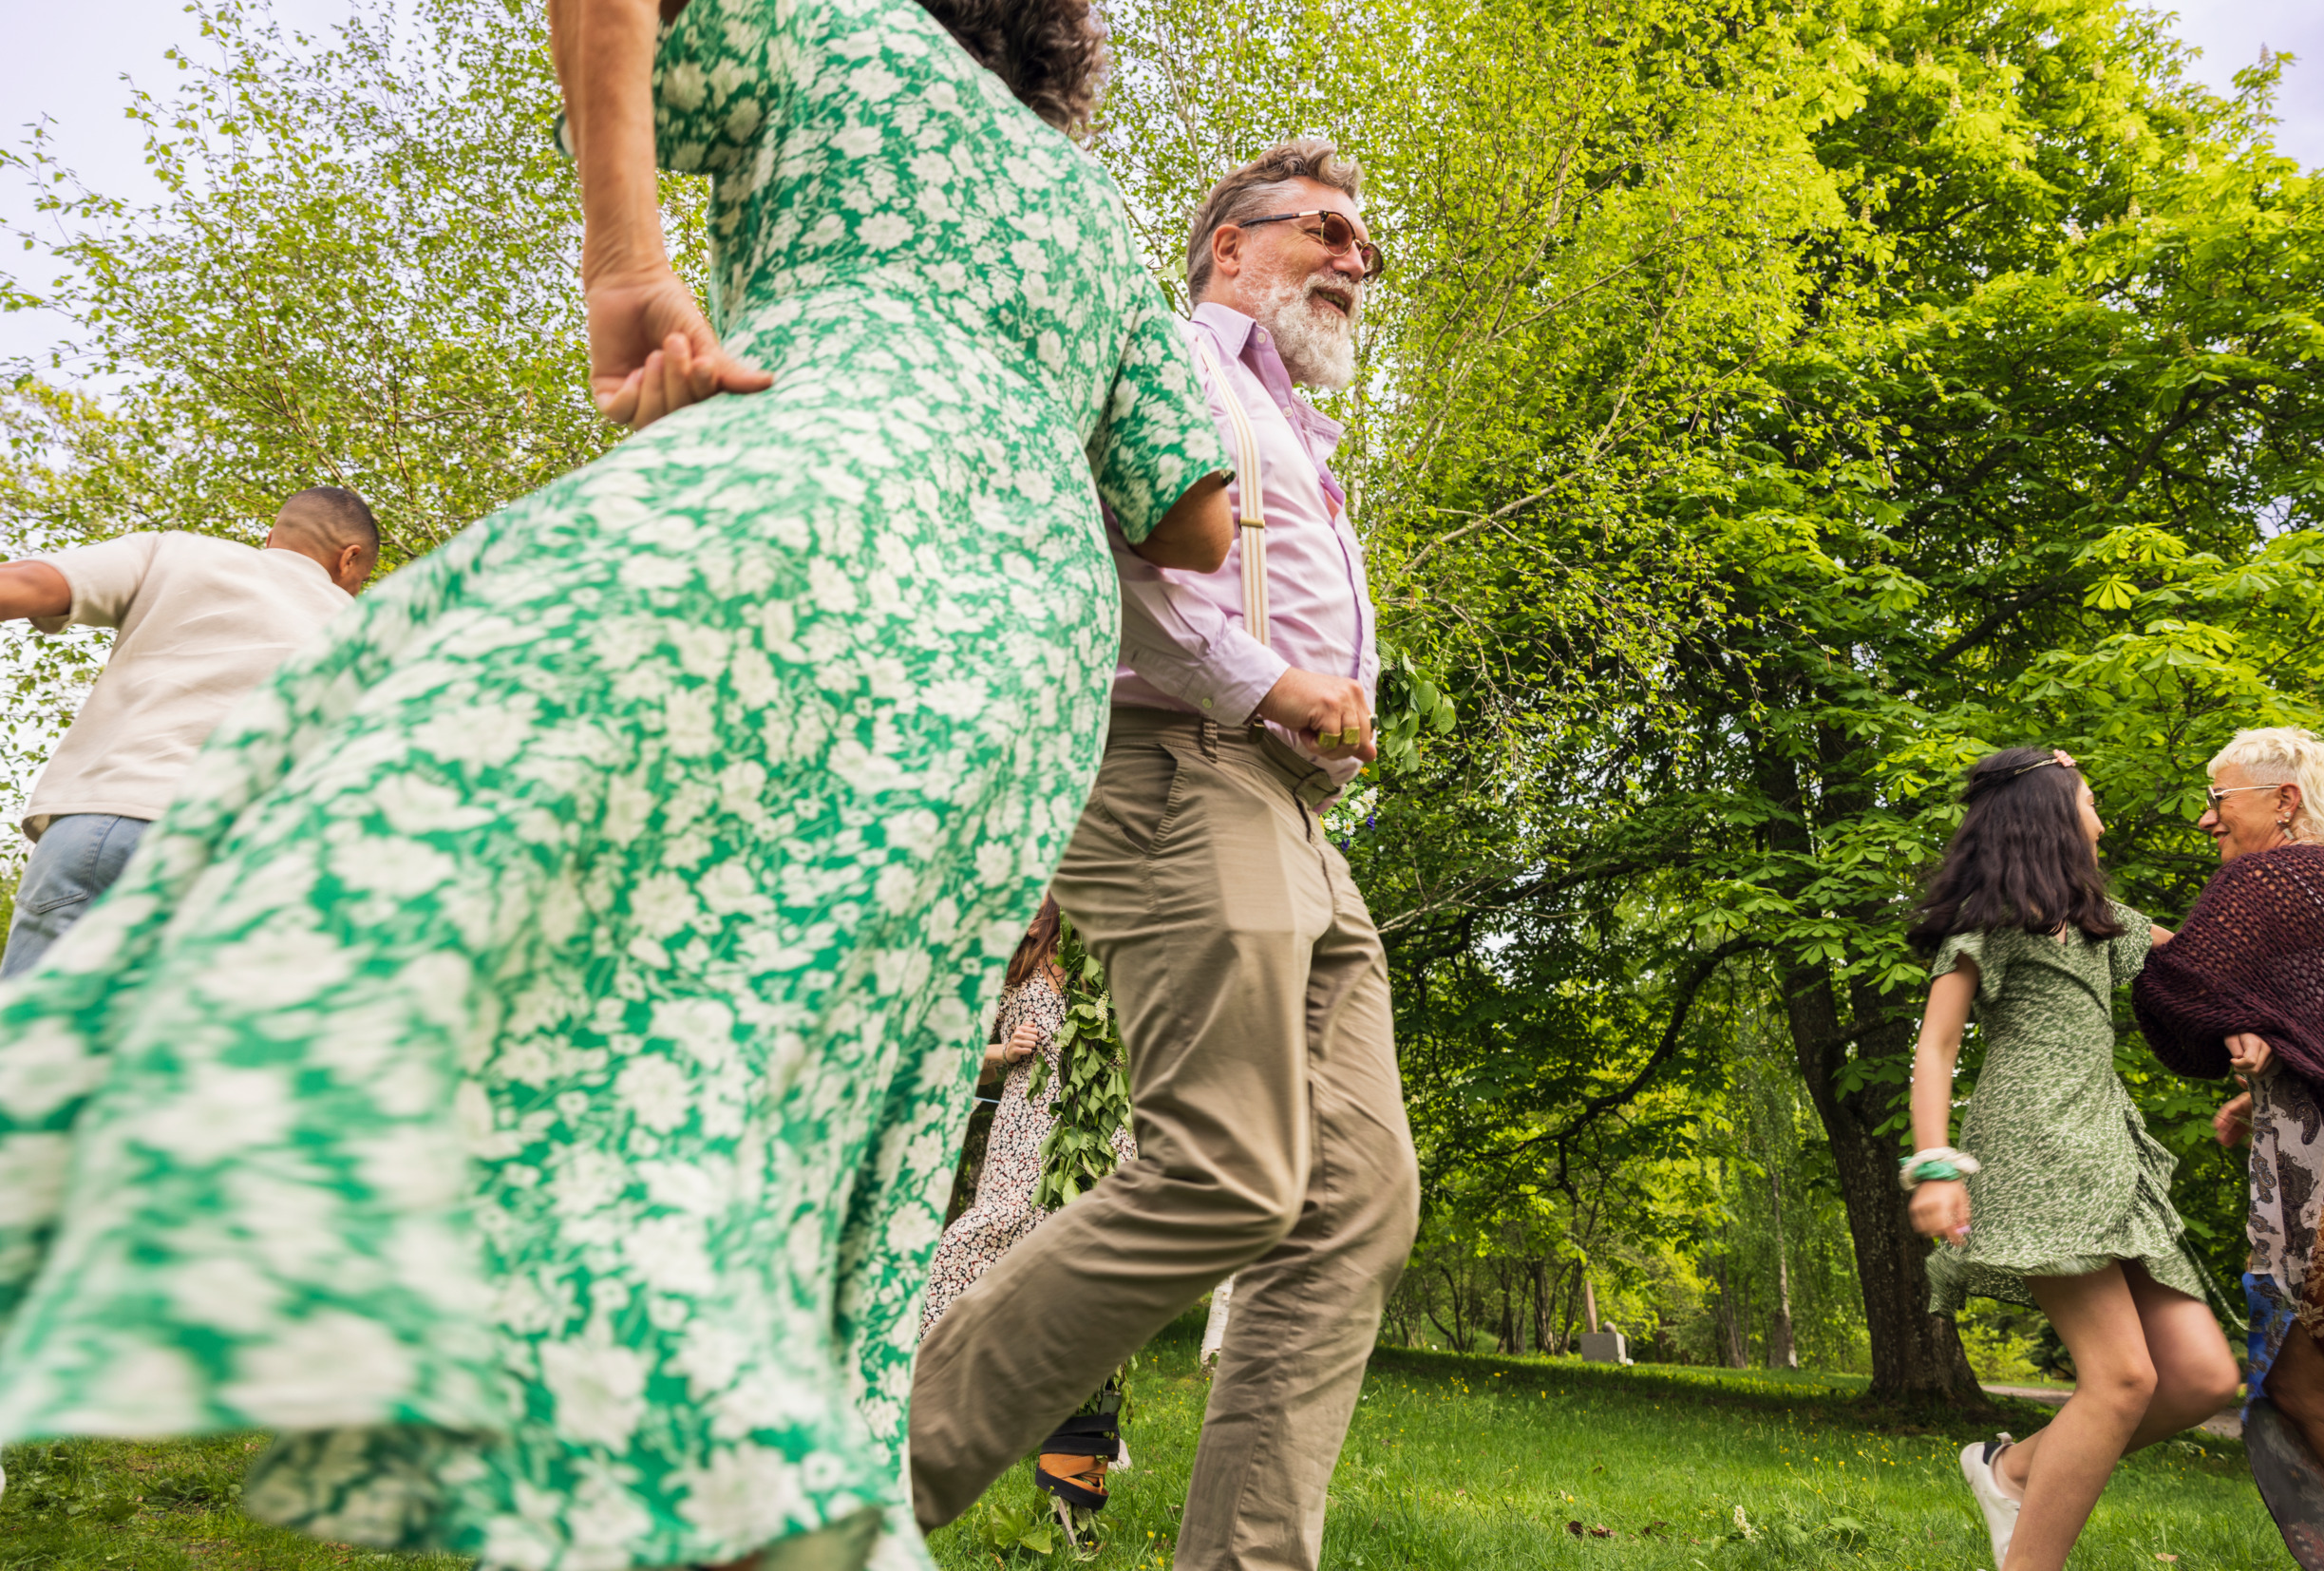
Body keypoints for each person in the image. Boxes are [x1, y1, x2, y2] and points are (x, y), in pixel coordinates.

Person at [0, 0, 1231, 1564]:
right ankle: (781, 1468)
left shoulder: (850, 38)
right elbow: (1195, 523)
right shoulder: (1098, 217)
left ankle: (316, 1212)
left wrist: (629, 268)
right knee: (867, 1076)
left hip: (815, 484)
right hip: (1023, 632)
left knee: (500, 823)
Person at [910, 138, 1420, 1571]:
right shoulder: (1171, 362)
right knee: (1226, 1170)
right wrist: (1266, 683)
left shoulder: (1292, 429)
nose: (1356, 257)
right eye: (1325, 229)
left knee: (1354, 1201)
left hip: (1293, 816)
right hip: (1176, 771)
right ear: (1231, 247)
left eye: (1364, 240)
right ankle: (834, 1495)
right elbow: (1111, 552)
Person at [1904, 747, 2239, 1571]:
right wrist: (1936, 1165)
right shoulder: (1990, 924)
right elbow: (1936, 1048)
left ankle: (2010, 1469)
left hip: (2111, 1154)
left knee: (2198, 1380)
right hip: (2035, 1150)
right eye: (2090, 802)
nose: (2102, 819)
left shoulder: (2105, 924)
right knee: (2123, 1380)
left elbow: (2202, 968)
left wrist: (2262, 1028)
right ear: (2052, 818)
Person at [0, 491, 376, 977]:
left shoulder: (175, 552)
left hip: (109, 822)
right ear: (350, 559)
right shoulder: (373, 636)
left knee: (27, 1042)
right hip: (248, 859)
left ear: (271, 537)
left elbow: (20, 583)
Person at [2135, 728, 2324, 1511]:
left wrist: (2082, 905)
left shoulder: (2270, 880)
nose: (2206, 819)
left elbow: (2179, 987)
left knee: (2304, 1390)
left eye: (2219, 799)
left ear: (2284, 801)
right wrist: (2283, 1069)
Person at [917, 896, 1138, 1548]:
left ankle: (1082, 1436)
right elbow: (947, 1048)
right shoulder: (1011, 966)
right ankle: (931, 1374)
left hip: (1096, 1132)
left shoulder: (1101, 963)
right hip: (1025, 1127)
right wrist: (1001, 1048)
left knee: (1087, 1272)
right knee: (980, 1236)